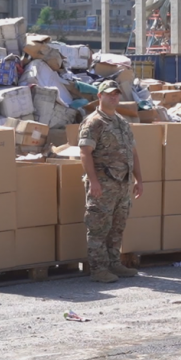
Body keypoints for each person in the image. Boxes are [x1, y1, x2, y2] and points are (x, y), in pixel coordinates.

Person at [79, 80, 144, 284]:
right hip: (103, 185)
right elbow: (84, 153)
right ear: (100, 96)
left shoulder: (122, 123)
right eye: (109, 94)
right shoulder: (94, 122)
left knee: (117, 227)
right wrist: (94, 182)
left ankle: (114, 263)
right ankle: (98, 269)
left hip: (122, 185)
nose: (113, 97)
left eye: (116, 94)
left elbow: (132, 153)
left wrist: (138, 179)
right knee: (98, 227)